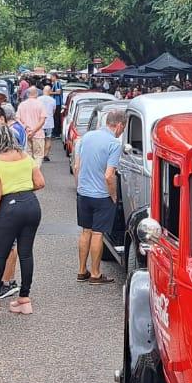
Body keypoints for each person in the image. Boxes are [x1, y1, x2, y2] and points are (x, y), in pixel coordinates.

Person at [0, 120, 44, 315]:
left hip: (9, 208)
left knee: (1, 252)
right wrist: (22, 189)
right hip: (32, 205)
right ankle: (24, 299)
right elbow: (40, 182)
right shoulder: (25, 157)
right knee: (26, 252)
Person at [73, 105, 125, 285]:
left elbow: (76, 167)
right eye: (123, 128)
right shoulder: (113, 144)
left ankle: (81, 271)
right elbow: (109, 175)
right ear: (118, 125)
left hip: (83, 192)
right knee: (97, 233)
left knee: (85, 231)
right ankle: (95, 274)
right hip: (101, 195)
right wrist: (114, 195)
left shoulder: (86, 137)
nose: (121, 132)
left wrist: (79, 187)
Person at [17, 87, 48, 163]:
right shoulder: (40, 104)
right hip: (38, 134)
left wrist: (26, 128)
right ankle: (36, 172)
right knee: (38, 156)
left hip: (26, 134)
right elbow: (42, 120)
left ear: (27, 94)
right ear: (37, 94)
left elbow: (17, 119)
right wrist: (33, 131)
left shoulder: (22, 105)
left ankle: (30, 172)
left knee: (27, 155)